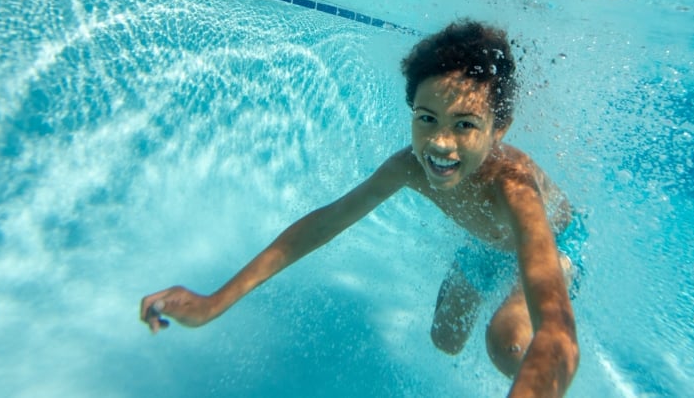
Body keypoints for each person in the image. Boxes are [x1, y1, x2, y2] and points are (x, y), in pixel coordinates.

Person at [140, 20, 582, 397]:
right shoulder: (409, 167)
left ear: (499, 128)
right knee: (445, 339)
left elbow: (557, 331)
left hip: (554, 248)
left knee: (504, 341)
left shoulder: (515, 190)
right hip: (487, 245)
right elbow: (323, 225)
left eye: (465, 125)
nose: (440, 144)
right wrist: (212, 303)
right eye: (426, 118)